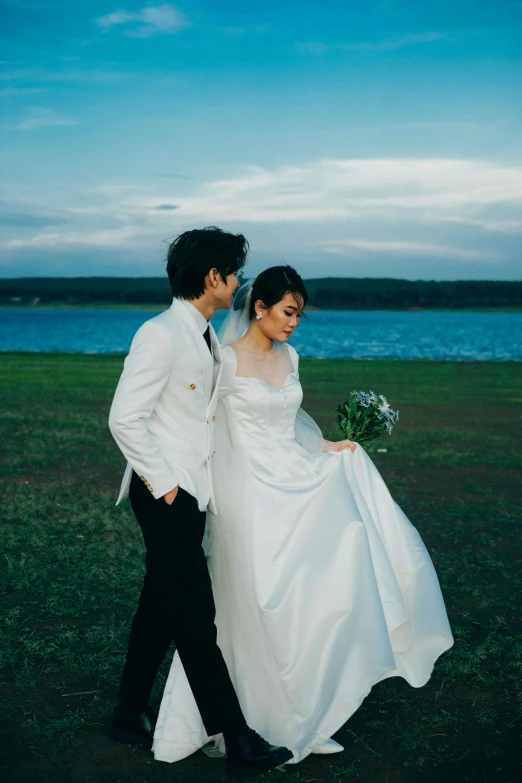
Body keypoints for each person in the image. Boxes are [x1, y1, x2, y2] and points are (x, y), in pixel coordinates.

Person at [152, 265, 454, 766]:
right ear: (261, 307)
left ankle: (310, 712)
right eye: (288, 312)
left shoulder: (290, 356)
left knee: (319, 582)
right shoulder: (221, 361)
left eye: (300, 315)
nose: (294, 323)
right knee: (258, 596)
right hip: (246, 488)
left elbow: (291, 422)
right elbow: (200, 426)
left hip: (293, 474)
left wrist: (327, 446)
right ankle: (250, 716)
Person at [108, 230, 293, 774]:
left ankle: (127, 711)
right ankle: (237, 737)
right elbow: (124, 417)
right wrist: (166, 485)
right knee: (194, 615)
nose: (238, 283)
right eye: (233, 274)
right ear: (212, 278)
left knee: (160, 607)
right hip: (165, 493)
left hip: (190, 494)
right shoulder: (161, 334)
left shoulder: (206, 336)